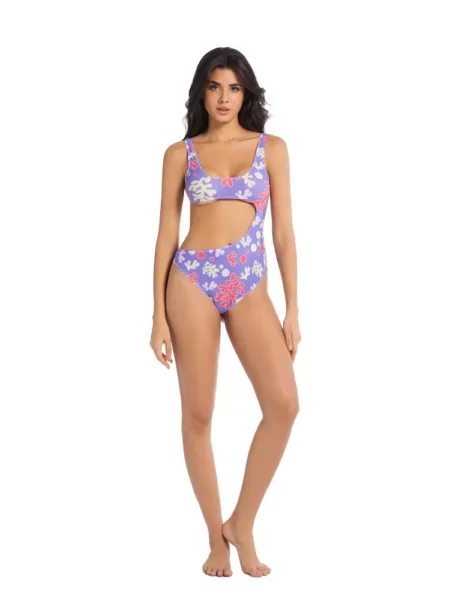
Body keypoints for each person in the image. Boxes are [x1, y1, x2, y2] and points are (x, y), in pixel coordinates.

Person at [150, 47, 301, 578]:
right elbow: (167, 234)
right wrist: (156, 313)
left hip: (249, 282)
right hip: (192, 279)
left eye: (234, 88)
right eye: (215, 87)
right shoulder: (181, 154)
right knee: (198, 415)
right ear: (202, 92)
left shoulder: (271, 149)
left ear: (246, 94)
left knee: (284, 404)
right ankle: (215, 539)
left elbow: (283, 234)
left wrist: (293, 308)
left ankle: (242, 523)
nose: (224, 98)